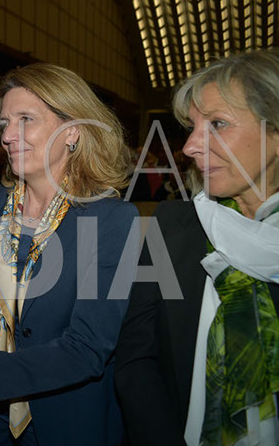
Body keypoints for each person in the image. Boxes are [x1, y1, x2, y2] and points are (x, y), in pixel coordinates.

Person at [0, 63, 138, 445]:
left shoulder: (111, 219)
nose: (7, 136)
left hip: (66, 420)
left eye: (26, 119)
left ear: (72, 131)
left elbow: (86, 348)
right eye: (5, 122)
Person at [115, 49, 279, 446]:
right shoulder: (173, 226)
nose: (190, 146)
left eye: (218, 124)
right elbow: (136, 357)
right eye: (192, 127)